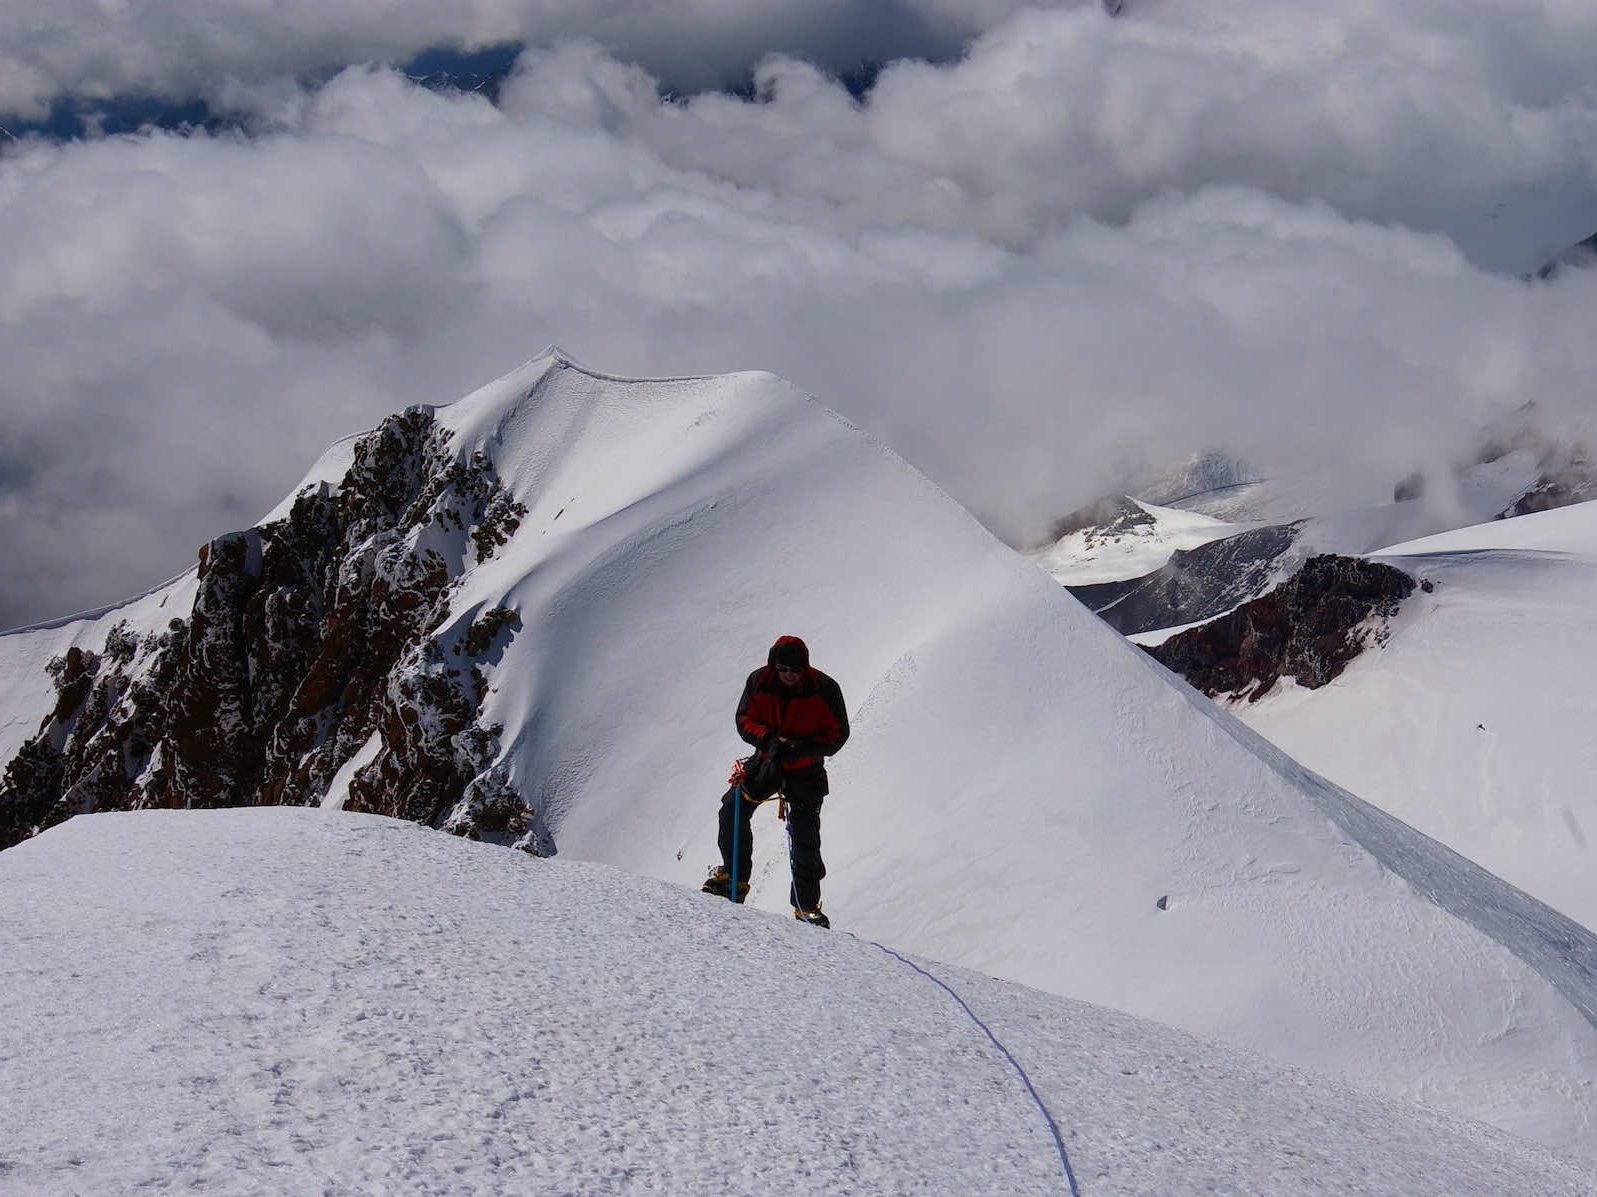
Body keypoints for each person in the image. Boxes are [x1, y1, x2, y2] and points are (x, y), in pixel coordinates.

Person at [702, 635, 849, 927]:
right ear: (774, 665)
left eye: (795, 670)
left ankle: (806, 905)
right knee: (732, 808)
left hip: (804, 768)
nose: (789, 676)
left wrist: (800, 747)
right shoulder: (759, 681)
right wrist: (768, 739)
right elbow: (745, 719)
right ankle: (734, 878)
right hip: (769, 760)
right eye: (783, 669)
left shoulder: (825, 689)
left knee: (805, 837)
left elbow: (837, 735)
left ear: (804, 668)